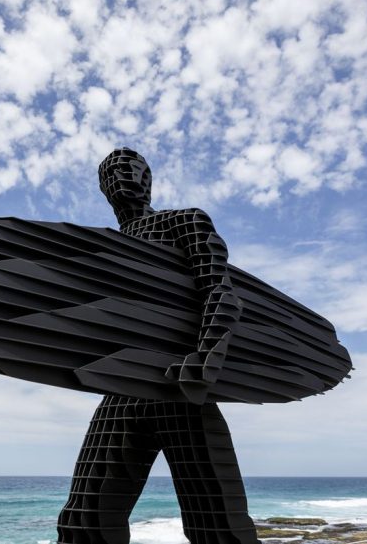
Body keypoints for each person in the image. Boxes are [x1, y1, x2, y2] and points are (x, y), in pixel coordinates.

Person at [56, 148, 259, 544]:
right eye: (111, 170)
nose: (122, 173)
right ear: (103, 188)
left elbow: (221, 291)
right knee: (82, 523)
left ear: (148, 179)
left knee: (217, 527)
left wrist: (208, 356)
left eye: (132, 166)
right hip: (124, 393)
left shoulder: (182, 221)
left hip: (182, 386)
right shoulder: (104, 249)